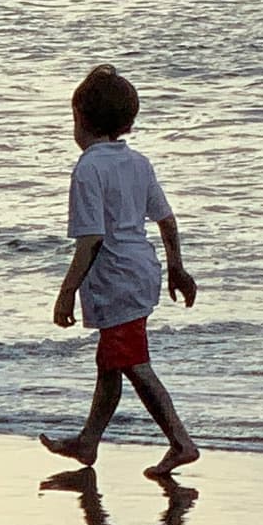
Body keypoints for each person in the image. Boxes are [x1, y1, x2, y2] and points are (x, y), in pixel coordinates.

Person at [42, 64, 201, 474]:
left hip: (116, 279)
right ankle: (88, 442)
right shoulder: (138, 163)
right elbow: (166, 220)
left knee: (132, 364)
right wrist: (177, 269)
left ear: (80, 119)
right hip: (141, 272)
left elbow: (91, 239)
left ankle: (181, 442)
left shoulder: (89, 169)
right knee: (110, 363)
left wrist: (65, 293)